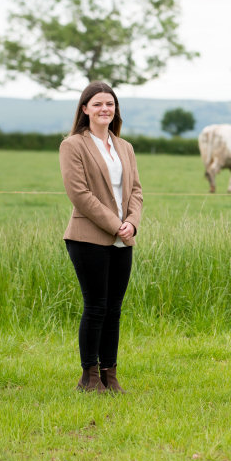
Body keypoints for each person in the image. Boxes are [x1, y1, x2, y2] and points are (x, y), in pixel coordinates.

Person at [59, 81, 143, 394]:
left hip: (124, 238)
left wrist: (131, 223)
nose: (104, 109)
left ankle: (110, 374)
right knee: (95, 307)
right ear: (84, 109)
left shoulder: (125, 147)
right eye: (97, 104)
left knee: (114, 309)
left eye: (110, 104)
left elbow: (135, 190)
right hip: (87, 237)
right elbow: (79, 193)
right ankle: (89, 377)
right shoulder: (73, 145)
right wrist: (115, 224)